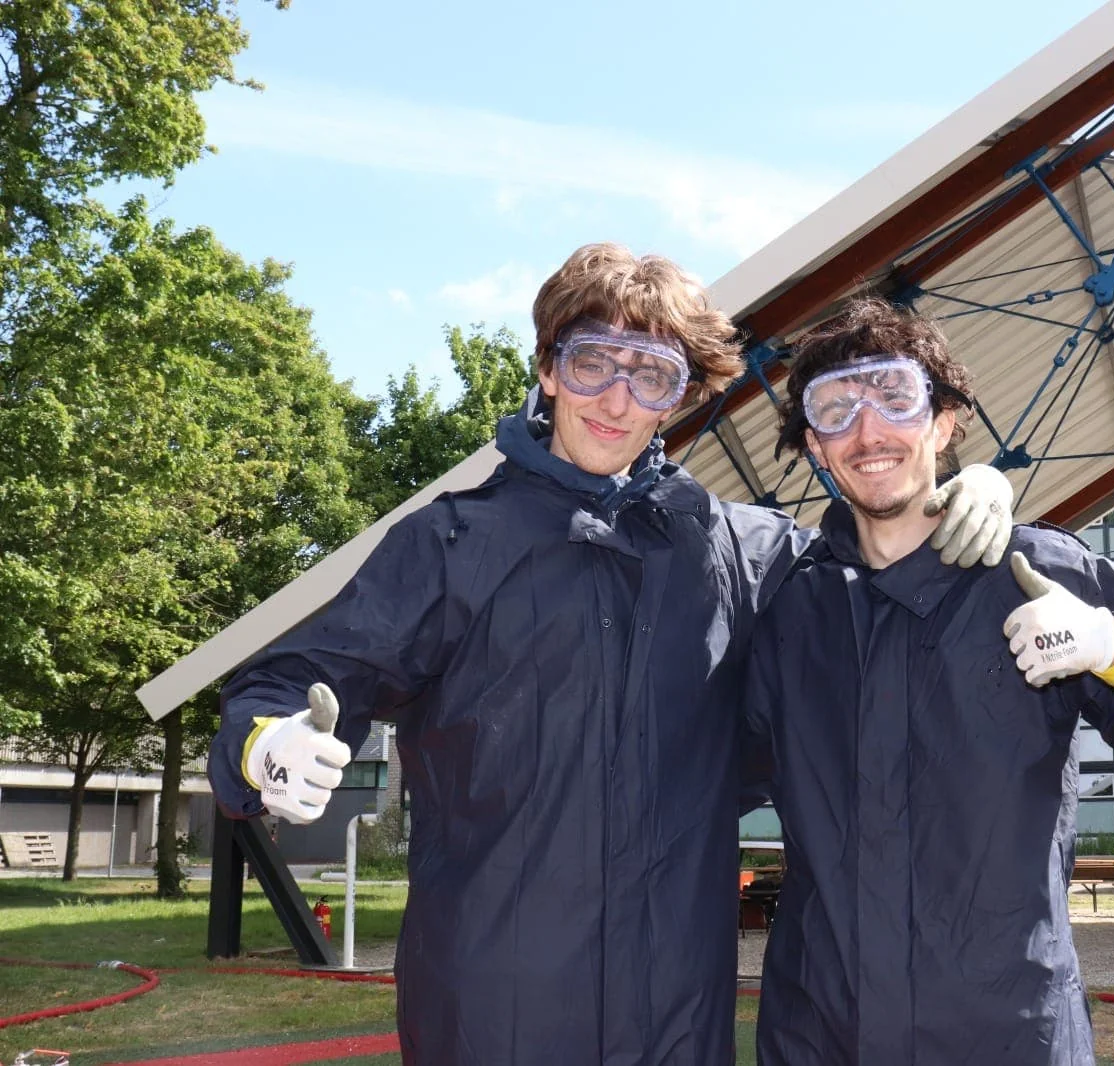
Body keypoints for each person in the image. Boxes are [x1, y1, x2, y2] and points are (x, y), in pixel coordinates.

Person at [205, 245, 1019, 1066]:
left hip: (678, 1019)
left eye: (652, 376)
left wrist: (958, 492)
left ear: (682, 396)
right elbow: (282, 682)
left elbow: (876, 580)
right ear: (548, 369)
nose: (616, 400)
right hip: (491, 1012)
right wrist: (263, 742)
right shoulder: (449, 546)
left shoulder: (742, 553)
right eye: (592, 363)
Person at [741, 297, 1114, 1066]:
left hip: (1008, 1034)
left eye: (895, 398)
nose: (868, 432)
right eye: (835, 409)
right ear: (814, 444)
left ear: (945, 421)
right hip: (822, 1035)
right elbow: (702, 775)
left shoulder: (1039, 575)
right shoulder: (788, 606)